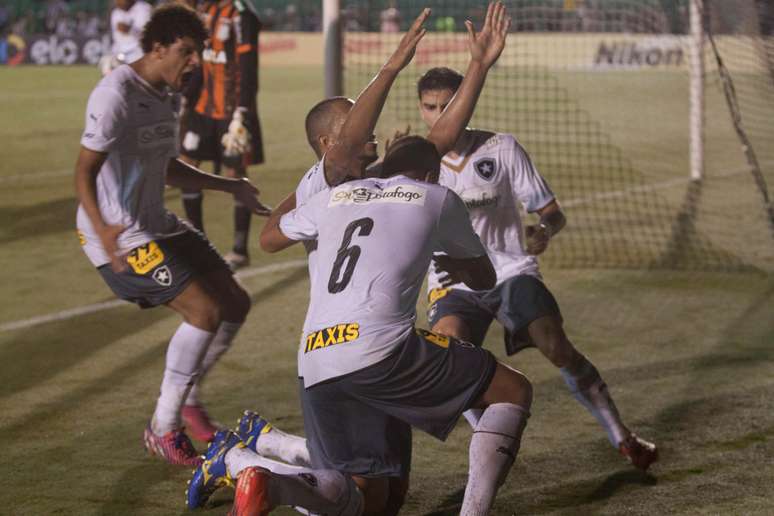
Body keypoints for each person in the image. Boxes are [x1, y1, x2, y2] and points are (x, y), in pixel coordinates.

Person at [187, 5, 522, 515]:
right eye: (356, 119)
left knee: (380, 500)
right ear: (328, 142)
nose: (370, 128)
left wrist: (478, 68)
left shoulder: (368, 181)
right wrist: (391, 67)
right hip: (372, 345)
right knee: (504, 393)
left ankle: (247, 460)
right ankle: (254, 462)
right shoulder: (324, 181)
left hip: (324, 354)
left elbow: (434, 147)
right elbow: (278, 228)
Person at [416, 66, 659, 470]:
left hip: (510, 268)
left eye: (448, 104)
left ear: (466, 102)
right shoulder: (419, 163)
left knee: (554, 344)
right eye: (430, 107)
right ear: (420, 108)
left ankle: (623, 437)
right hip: (452, 281)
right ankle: (488, 445)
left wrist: (544, 229)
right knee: (452, 356)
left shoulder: (502, 147)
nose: (440, 114)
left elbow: (551, 212)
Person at [74, 3, 268, 466]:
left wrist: (230, 185)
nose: (196, 61)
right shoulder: (115, 94)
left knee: (236, 303)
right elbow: (83, 173)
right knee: (203, 311)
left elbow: (166, 168)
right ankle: (164, 426)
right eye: (186, 51)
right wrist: (103, 230)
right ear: (157, 48)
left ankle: (190, 396)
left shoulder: (168, 94)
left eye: (198, 51)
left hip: (156, 223)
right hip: (120, 236)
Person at [178, 0, 269, 271]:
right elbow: (201, 63)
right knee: (186, 166)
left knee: (234, 173)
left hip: (233, 110)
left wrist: (242, 113)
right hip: (203, 108)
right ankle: (199, 242)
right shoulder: (206, 11)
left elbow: (248, 66)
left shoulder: (241, 15)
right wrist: (185, 99)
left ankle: (239, 250)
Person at [100, 0, 152, 75]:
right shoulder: (116, 12)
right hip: (119, 52)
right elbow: (117, 38)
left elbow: (147, 34)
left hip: (137, 52)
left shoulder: (143, 9)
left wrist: (130, 29)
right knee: (107, 65)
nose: (117, 2)